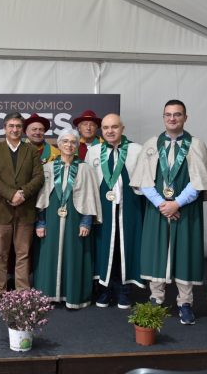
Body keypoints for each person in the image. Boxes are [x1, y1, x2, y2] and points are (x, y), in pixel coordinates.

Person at [130, 99, 207, 325]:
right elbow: (144, 180)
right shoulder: (151, 144)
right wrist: (162, 204)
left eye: (177, 114)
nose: (172, 118)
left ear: (186, 117)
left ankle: (185, 302)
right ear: (163, 117)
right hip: (157, 209)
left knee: (185, 253)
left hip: (186, 209)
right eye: (168, 114)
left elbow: (199, 180)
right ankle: (156, 298)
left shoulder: (196, 145)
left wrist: (176, 203)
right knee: (156, 251)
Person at [33, 129, 102, 309]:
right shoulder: (48, 168)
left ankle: (73, 295)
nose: (69, 145)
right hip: (51, 219)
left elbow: (89, 197)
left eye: (73, 142)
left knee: (74, 254)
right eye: (65, 141)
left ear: (77, 145)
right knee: (49, 254)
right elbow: (41, 197)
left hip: (75, 219)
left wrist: (86, 221)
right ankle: (49, 294)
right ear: (59, 144)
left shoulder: (85, 169)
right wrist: (40, 222)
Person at [0, 112, 44, 307]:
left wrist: (23, 194)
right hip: (1, 210)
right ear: (4, 128)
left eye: (18, 126)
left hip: (25, 211)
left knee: (23, 254)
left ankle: (22, 294)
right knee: (0, 255)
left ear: (22, 129)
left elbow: (38, 177)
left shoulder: (31, 150)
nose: (15, 129)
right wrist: (11, 195)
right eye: (11, 126)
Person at [85, 113, 145, 309]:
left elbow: (146, 180)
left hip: (129, 209)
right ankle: (104, 289)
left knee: (125, 249)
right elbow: (87, 183)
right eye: (106, 127)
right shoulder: (94, 152)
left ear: (122, 128)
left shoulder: (136, 150)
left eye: (114, 127)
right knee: (103, 249)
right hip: (103, 209)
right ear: (101, 130)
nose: (110, 131)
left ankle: (124, 291)